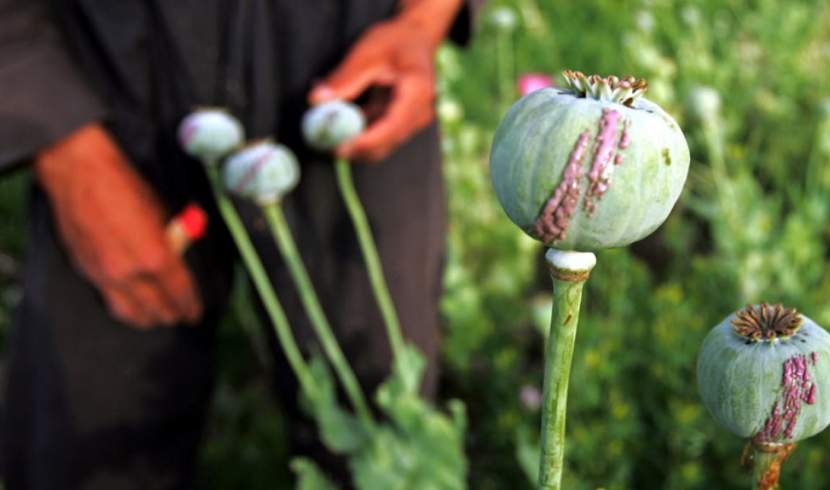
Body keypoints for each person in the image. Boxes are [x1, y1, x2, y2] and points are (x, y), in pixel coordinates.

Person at [0, 0, 478, 488]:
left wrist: (419, 22)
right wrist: (64, 146)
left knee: (382, 431)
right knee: (93, 438)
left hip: (354, 81)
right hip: (109, 83)